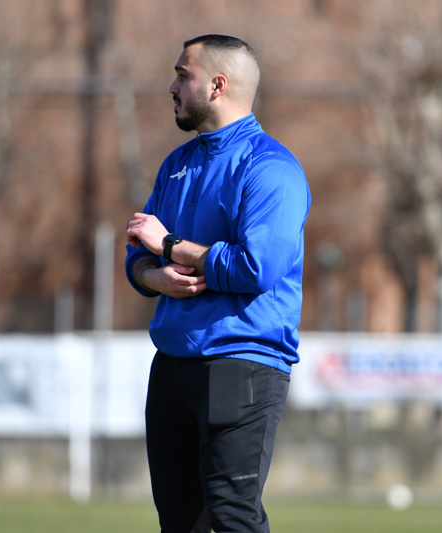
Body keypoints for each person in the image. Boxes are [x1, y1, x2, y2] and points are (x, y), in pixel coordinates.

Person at [125, 34, 311, 533]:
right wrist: (152, 276)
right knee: (180, 522)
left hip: (242, 363)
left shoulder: (272, 168)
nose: (172, 87)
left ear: (217, 86)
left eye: (182, 76)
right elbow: (136, 254)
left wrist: (170, 246)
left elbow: (256, 268)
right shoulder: (176, 164)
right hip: (172, 364)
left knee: (232, 516)